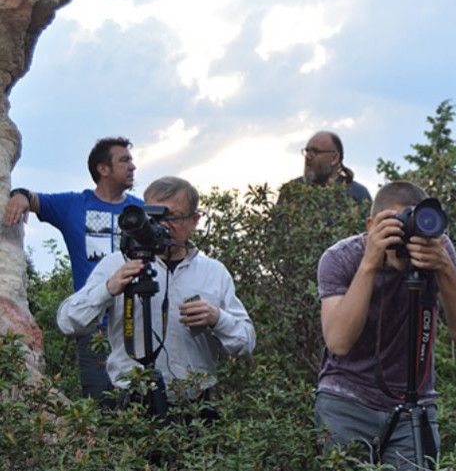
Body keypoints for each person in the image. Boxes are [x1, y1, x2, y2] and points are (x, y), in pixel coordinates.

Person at [315, 180, 456, 471]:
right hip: (347, 400)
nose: (405, 237)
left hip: (415, 405)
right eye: (394, 226)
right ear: (371, 225)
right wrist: (370, 263)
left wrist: (445, 269)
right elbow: (338, 342)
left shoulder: (437, 249)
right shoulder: (341, 257)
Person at [56, 176, 256, 406]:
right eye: (154, 216)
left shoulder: (214, 273)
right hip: (130, 406)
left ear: (194, 220)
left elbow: (246, 342)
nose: (162, 225)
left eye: (173, 217)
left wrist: (217, 318)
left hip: (195, 409)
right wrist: (108, 289)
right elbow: (67, 322)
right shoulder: (117, 264)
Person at [3, 137, 143, 403]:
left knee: (143, 404)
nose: (133, 166)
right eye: (124, 160)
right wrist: (19, 196)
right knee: (104, 409)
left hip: (135, 325)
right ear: (103, 169)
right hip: (93, 327)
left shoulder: (139, 210)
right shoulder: (74, 206)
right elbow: (32, 198)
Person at [278, 130, 372, 208]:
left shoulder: (357, 194)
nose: (308, 157)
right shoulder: (291, 192)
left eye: (315, 152)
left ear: (334, 158)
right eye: (307, 151)